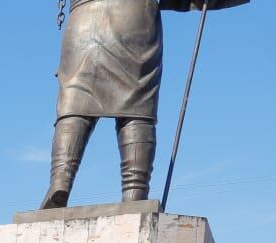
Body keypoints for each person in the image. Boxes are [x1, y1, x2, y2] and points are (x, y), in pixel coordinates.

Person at [42, 0, 249, 208]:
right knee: (136, 106)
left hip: (82, 23)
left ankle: (60, 180)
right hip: (133, 19)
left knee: (75, 101)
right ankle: (135, 191)